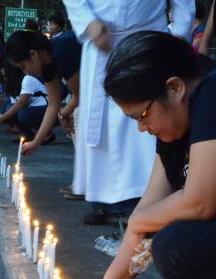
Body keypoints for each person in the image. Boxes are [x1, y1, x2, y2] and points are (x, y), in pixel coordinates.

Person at [78, 30, 216, 279]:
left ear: (174, 87)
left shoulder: (212, 95)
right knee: (172, 245)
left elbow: (200, 202)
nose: (142, 128)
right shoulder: (174, 126)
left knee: (177, 242)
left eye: (141, 116)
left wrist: (142, 222)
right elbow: (151, 204)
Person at [62, 0, 195, 224]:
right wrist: (89, 23)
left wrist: (180, 34)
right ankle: (102, 199)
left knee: (146, 124)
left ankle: (144, 199)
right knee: (105, 129)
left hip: (147, 40)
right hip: (101, 40)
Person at [5, 30, 81, 154]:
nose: (25, 72)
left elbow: (80, 96)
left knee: (78, 118)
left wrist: (64, 113)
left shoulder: (62, 52)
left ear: (33, 54)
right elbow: (53, 105)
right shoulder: (46, 65)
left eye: (23, 67)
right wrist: (36, 142)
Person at [0, 71, 53, 142]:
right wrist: (0, 116)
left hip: (45, 107)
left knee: (23, 115)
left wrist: (2, 117)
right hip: (31, 108)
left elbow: (22, 103)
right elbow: (14, 106)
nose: (4, 78)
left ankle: (46, 133)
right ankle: (29, 135)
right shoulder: (11, 85)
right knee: (8, 109)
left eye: (5, 75)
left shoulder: (27, 79)